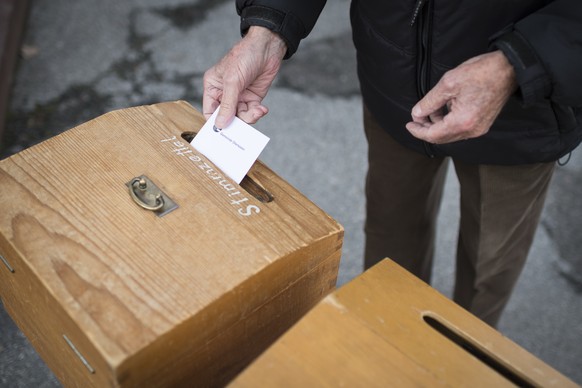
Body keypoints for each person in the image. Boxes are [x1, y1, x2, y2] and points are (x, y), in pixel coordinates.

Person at [203, 0, 582, 327]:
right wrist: (269, 25)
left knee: (490, 260)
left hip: (526, 104)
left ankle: (467, 357)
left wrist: (517, 63)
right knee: (390, 230)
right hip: (393, 78)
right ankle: (386, 339)